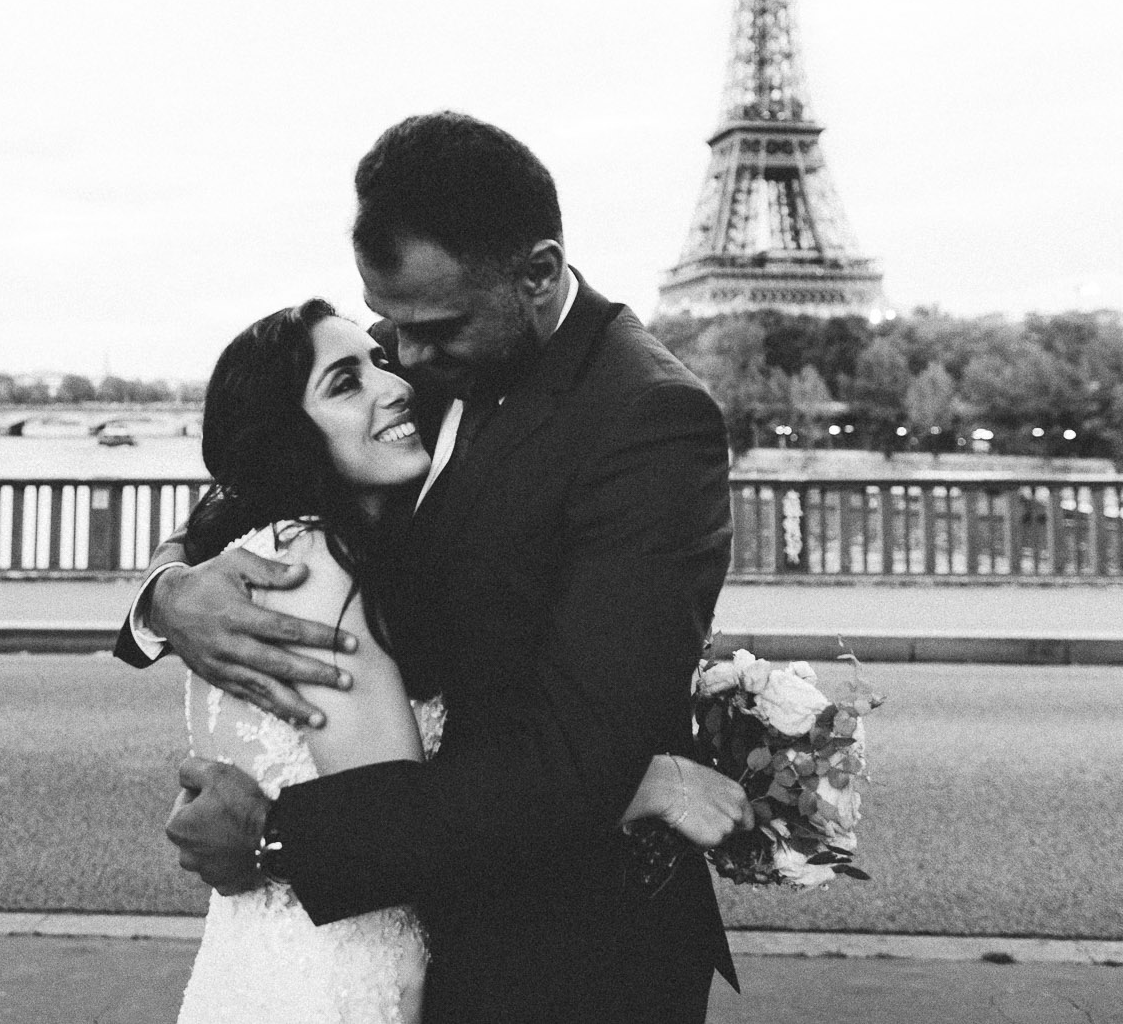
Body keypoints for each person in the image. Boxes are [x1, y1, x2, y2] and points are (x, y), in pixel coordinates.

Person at [121, 113, 741, 1023]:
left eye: (430, 331)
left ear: (536, 273)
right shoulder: (443, 345)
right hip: (419, 938)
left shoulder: (648, 422)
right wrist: (169, 594)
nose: (405, 363)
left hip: (566, 961)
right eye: (384, 331)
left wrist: (276, 834)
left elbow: (574, 761)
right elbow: (248, 486)